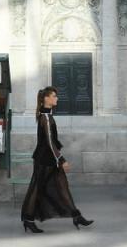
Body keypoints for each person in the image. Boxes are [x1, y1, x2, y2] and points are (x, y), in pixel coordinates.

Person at [21, 86, 93, 233]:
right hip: (44, 160)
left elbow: (51, 141)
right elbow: (49, 141)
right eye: (54, 96)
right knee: (37, 189)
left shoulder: (47, 115)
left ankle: (76, 216)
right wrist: (61, 159)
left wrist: (58, 159)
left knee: (62, 186)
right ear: (46, 99)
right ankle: (28, 219)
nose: (57, 98)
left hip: (49, 158)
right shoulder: (45, 117)